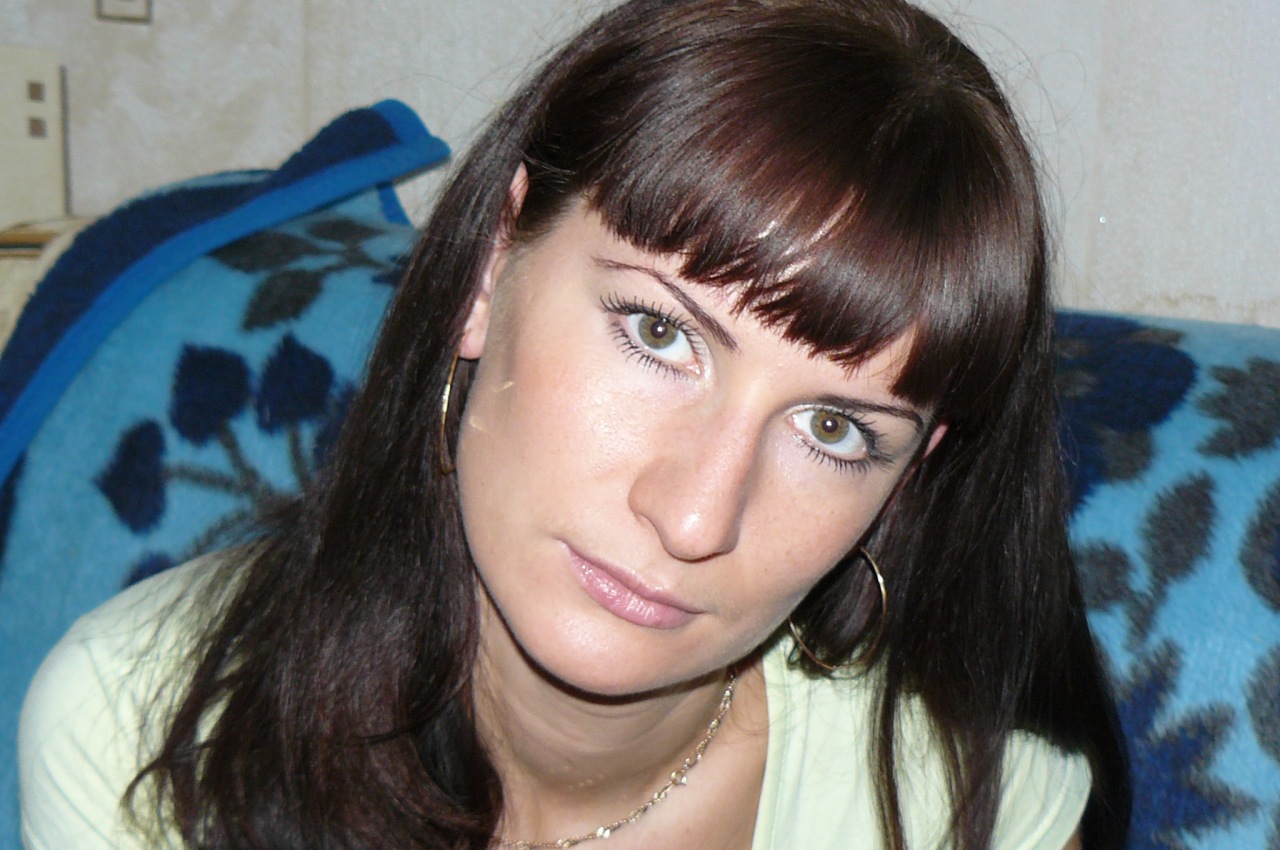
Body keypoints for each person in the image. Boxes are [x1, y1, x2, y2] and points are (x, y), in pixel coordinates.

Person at [19, 0, 1131, 848]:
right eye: (658, 333)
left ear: (906, 475)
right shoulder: (144, 735)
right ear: (487, 271)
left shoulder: (969, 809)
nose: (695, 517)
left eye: (833, 430)